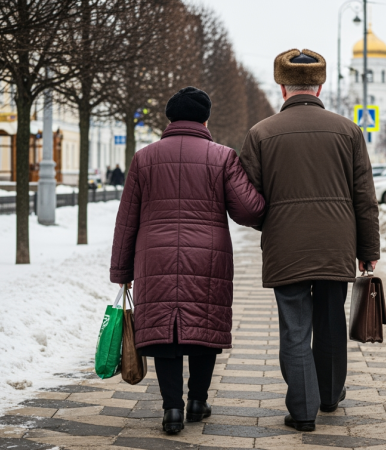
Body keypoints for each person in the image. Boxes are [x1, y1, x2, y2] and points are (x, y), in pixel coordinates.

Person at [238, 49, 380, 432]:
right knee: (331, 322)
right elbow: (364, 197)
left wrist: (271, 223)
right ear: (320, 85)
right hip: (337, 245)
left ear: (281, 87)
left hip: (286, 247)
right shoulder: (348, 131)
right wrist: (368, 251)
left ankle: (303, 411)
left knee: (295, 328)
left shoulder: (261, 133)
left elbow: (247, 200)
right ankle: (330, 395)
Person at [110, 87, 265, 435]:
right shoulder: (223, 157)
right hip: (207, 257)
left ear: (169, 119)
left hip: (154, 257)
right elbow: (248, 209)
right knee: (202, 326)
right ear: (205, 119)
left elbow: (127, 219)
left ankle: (171, 410)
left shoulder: (144, 158)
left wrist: (122, 271)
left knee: (164, 333)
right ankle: (197, 401)